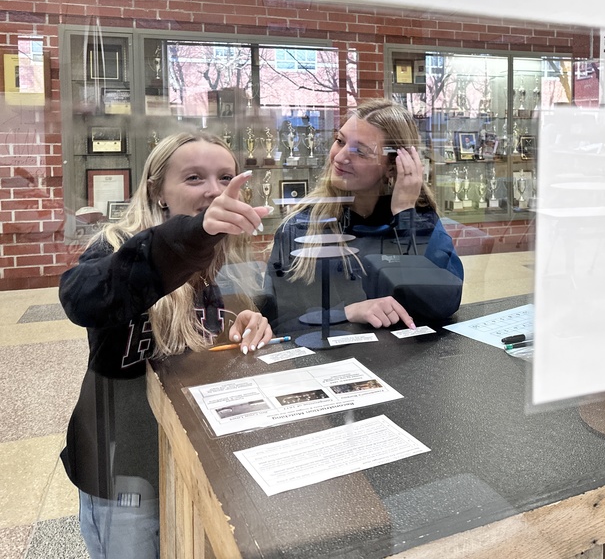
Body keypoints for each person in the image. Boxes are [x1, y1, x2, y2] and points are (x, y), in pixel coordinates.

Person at [59, 131, 273, 559]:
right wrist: (191, 236)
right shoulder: (117, 246)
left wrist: (249, 323)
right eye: (194, 178)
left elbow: (208, 335)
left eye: (225, 177)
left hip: (198, 451)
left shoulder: (227, 255)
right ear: (157, 190)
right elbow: (82, 296)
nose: (214, 190)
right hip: (124, 465)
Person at [266, 99, 463, 329]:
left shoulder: (417, 218)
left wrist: (405, 216)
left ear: (393, 166)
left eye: (359, 151)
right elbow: (279, 320)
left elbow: (444, 303)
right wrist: (347, 312)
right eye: (340, 141)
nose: (339, 157)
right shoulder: (301, 225)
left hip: (402, 350)